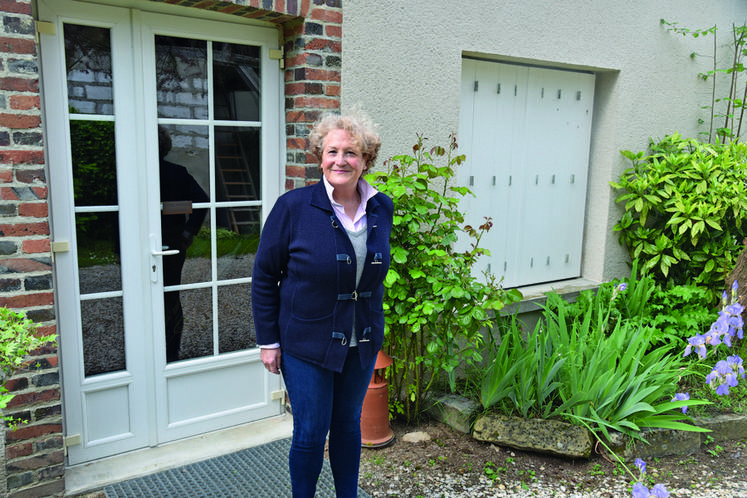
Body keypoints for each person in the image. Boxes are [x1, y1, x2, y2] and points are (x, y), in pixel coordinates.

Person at [251, 111, 393, 497]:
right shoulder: (293, 208)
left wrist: (374, 328)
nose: (340, 160)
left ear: (366, 160)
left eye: (351, 152)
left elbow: (374, 277)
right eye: (332, 151)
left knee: (348, 425)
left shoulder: (382, 209)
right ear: (320, 157)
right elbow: (265, 275)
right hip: (305, 342)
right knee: (311, 432)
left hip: (359, 342)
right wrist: (269, 340)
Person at [158, 125, 209, 362]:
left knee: (167, 298)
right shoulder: (176, 172)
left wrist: (169, 212)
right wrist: (187, 232)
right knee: (170, 298)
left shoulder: (176, 173)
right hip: (175, 240)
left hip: (171, 242)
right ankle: (170, 350)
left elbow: (201, 201)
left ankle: (165, 351)